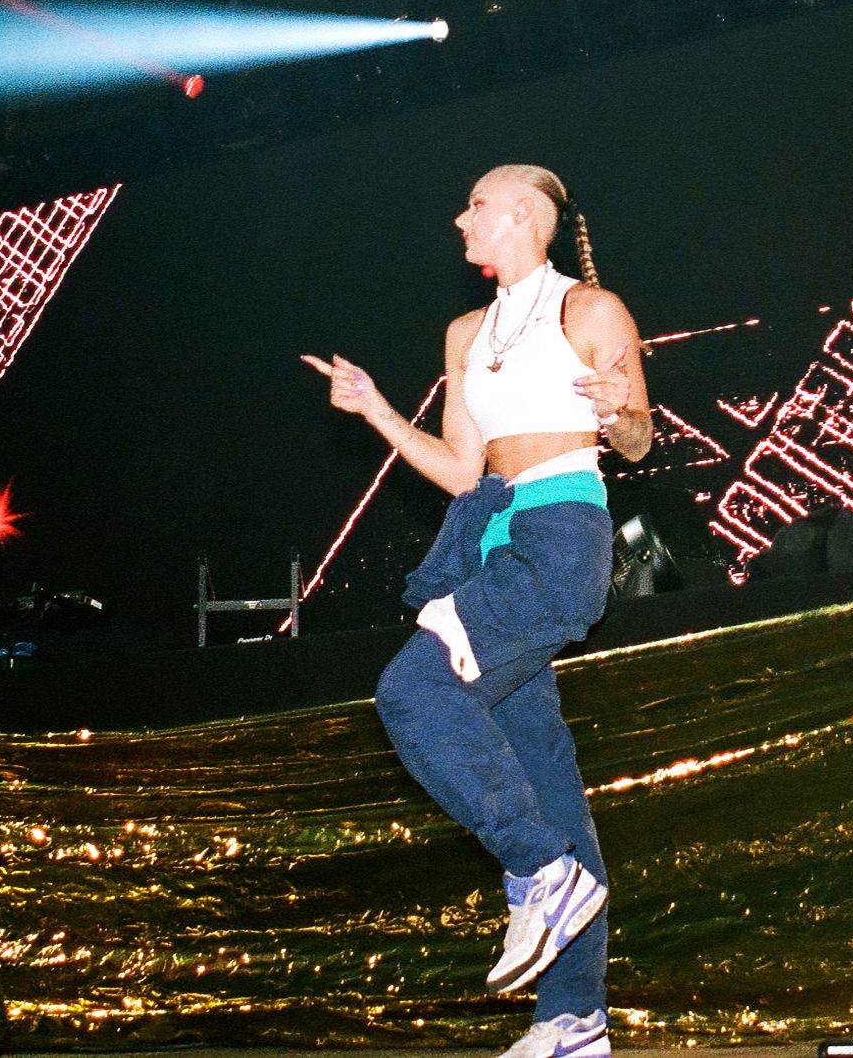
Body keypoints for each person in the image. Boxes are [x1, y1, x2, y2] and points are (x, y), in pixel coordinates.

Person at [310, 165, 652, 1058]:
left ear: (525, 217)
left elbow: (641, 433)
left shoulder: (592, 310)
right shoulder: (465, 331)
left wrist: (619, 412)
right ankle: (574, 1020)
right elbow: (465, 469)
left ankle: (538, 868)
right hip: (489, 536)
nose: (460, 216)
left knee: (414, 691)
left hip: (561, 532)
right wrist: (378, 409)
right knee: (544, 775)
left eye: (476, 204)